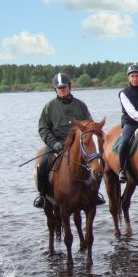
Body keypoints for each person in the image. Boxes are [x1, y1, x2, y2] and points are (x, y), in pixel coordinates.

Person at [34, 72, 103, 208]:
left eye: (64, 87)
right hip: (56, 144)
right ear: (55, 89)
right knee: (42, 165)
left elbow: (89, 125)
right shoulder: (49, 107)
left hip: (78, 144)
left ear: (69, 87)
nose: (62, 90)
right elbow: (43, 129)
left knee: (98, 163)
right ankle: (42, 196)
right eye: (59, 88)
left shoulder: (80, 105)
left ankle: (95, 194)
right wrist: (54, 143)